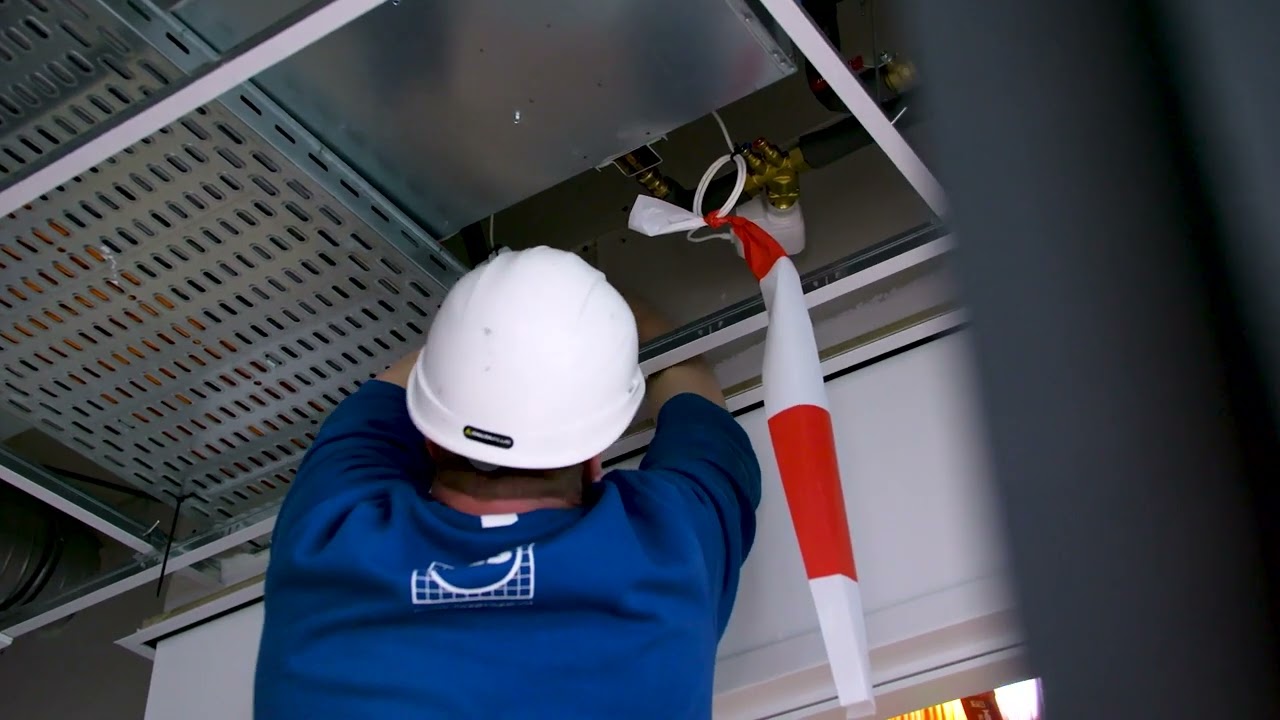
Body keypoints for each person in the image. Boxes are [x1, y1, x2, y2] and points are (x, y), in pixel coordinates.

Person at [254, 246, 762, 718]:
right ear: (594, 459)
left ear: (428, 442)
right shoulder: (670, 547)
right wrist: (589, 313)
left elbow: (381, 406)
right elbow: (697, 407)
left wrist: (494, 311)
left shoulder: (329, 537)